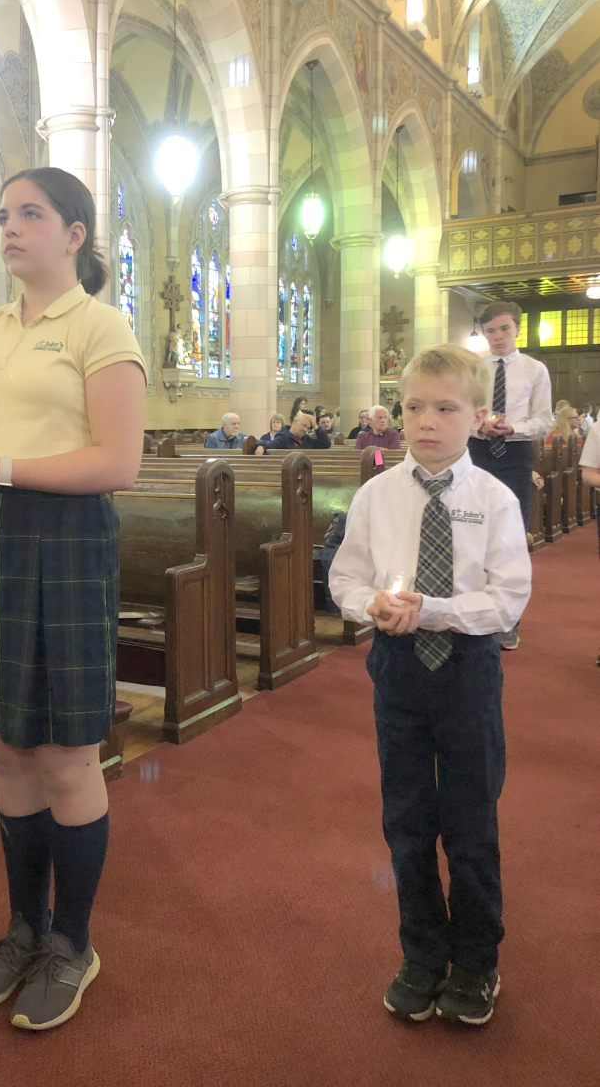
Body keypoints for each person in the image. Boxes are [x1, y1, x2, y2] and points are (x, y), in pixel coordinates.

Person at [0, 168, 146, 1032]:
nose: (9, 228)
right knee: (8, 747)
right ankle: (22, 930)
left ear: (75, 233)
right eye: (3, 215)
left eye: (30, 215)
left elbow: (119, 463)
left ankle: (73, 945)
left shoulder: (99, 325)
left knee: (66, 757)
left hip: (65, 544)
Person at [329, 345, 531, 1027]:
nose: (427, 422)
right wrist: (370, 607)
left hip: (469, 672)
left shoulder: (495, 500)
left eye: (445, 409)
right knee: (408, 821)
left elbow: (508, 600)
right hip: (399, 671)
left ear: (477, 416)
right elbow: (346, 578)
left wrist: (435, 610)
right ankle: (421, 952)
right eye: (414, 407)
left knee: (470, 823)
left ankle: (476, 960)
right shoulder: (377, 494)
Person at [467, 302, 551, 650]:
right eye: (490, 331)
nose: (497, 337)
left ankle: (508, 619)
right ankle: (473, 608)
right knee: (472, 528)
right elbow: (461, 406)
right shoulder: (473, 368)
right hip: (476, 451)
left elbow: (544, 419)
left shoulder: (534, 369)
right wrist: (479, 424)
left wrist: (512, 427)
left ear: (517, 328)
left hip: (514, 454)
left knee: (511, 534)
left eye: (503, 329)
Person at [265, 411, 331, 451]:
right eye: (304, 425)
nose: (305, 430)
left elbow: (325, 444)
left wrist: (316, 427)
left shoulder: (306, 440)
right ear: (296, 421)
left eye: (308, 428)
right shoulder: (283, 437)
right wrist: (261, 447)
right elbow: (271, 445)